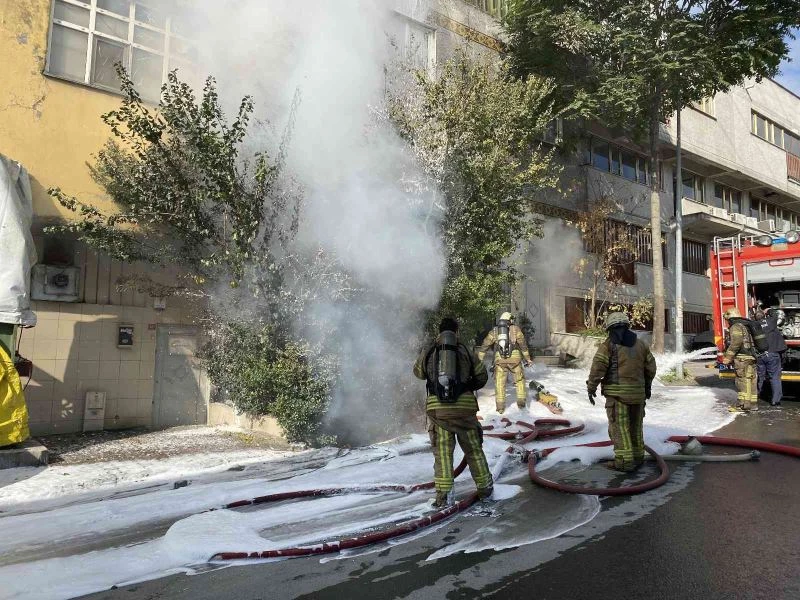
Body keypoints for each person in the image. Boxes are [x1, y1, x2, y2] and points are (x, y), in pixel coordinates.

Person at [414, 317, 493, 507]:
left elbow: (418, 373)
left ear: (439, 333)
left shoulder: (431, 350)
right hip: (465, 411)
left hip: (438, 411)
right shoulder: (465, 349)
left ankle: (444, 497)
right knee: (474, 451)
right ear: (456, 332)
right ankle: (486, 491)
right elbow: (482, 376)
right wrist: (465, 387)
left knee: (442, 454)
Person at [586, 312, 657, 472]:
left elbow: (598, 368)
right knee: (635, 428)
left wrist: (591, 388)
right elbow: (651, 368)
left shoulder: (608, 345)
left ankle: (625, 462)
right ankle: (638, 458)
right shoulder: (641, 345)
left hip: (618, 398)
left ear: (610, 328)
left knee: (619, 429)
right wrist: (646, 387)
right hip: (638, 397)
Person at [478, 312, 532, 413]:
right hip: (515, 360)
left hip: (500, 360)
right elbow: (523, 345)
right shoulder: (516, 329)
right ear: (510, 320)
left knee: (499, 383)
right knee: (519, 380)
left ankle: (500, 408)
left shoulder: (495, 331)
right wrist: (528, 359)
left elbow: (485, 345)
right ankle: (521, 404)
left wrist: (480, 359)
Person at [721, 307, 758, 412]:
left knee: (742, 381)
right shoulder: (746, 325)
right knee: (751, 380)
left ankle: (743, 405)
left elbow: (736, 343)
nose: (727, 322)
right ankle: (753, 404)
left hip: (742, 358)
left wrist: (728, 357)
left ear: (730, 317)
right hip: (752, 356)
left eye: (727, 319)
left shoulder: (736, 326)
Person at [755, 308, 785, 407]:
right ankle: (775, 400)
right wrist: (769, 310)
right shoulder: (770, 321)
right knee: (775, 377)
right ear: (764, 316)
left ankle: (756, 396)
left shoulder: (754, 325)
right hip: (772, 354)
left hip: (760, 356)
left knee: (760, 376)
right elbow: (775, 315)